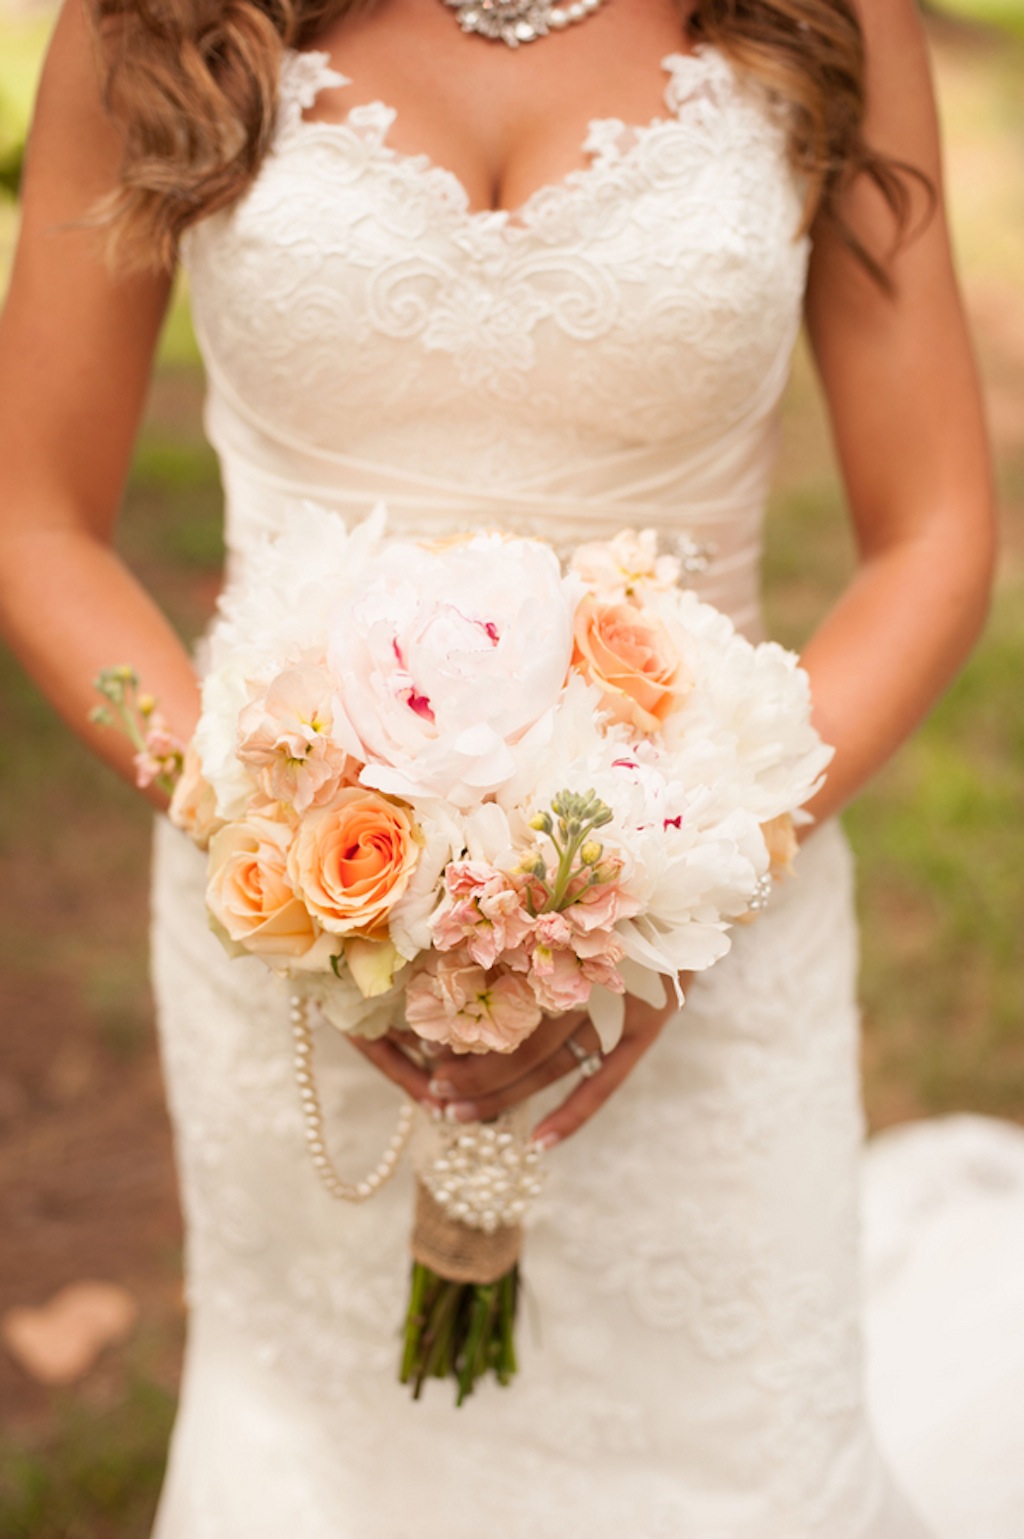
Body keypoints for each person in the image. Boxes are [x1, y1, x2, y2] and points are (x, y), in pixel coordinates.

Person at [0, 0, 1019, 1534]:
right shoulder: (157, 18)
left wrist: (687, 874)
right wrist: (275, 846)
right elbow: (33, 515)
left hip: (716, 931)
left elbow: (936, 530)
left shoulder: (828, 16)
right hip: (283, 931)